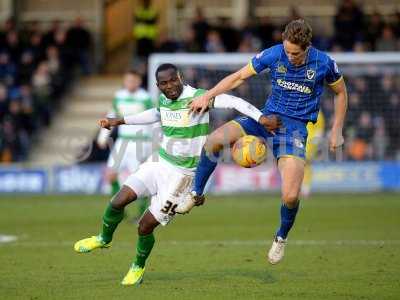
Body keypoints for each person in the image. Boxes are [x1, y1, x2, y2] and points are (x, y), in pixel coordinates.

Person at [73, 63, 280, 285]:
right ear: (158, 85)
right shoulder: (164, 100)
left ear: (180, 77)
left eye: (173, 80)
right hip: (160, 162)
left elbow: (234, 101)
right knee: (118, 201)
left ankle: (138, 266)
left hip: (183, 178)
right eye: (164, 83)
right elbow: (155, 114)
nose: (170, 86)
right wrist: (119, 121)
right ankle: (104, 238)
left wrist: (261, 119)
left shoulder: (199, 98)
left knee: (145, 226)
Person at [187, 19, 348, 265]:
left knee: (291, 196)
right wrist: (207, 96)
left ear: (307, 47)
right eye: (286, 50)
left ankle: (281, 237)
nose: (289, 56)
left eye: (295, 53)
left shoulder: (324, 63)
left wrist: (336, 129)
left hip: (293, 129)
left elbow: (341, 93)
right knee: (214, 141)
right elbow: (239, 76)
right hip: (264, 118)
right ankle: (196, 192)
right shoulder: (274, 54)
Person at [97, 70, 153, 220]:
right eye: (127, 80)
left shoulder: (145, 97)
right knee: (110, 175)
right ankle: (119, 212)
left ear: (139, 81)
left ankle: (141, 213)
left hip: (140, 141)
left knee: (140, 180)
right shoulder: (119, 96)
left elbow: (153, 118)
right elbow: (112, 115)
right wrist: (103, 135)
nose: (130, 83)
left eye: (133, 80)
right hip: (122, 141)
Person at [301, 110, 325, 198]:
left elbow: (319, 131)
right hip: (300, 139)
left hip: (310, 142)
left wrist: (315, 144)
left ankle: (305, 189)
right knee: (302, 165)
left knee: (305, 164)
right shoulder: (304, 107)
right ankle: (303, 189)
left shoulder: (317, 113)